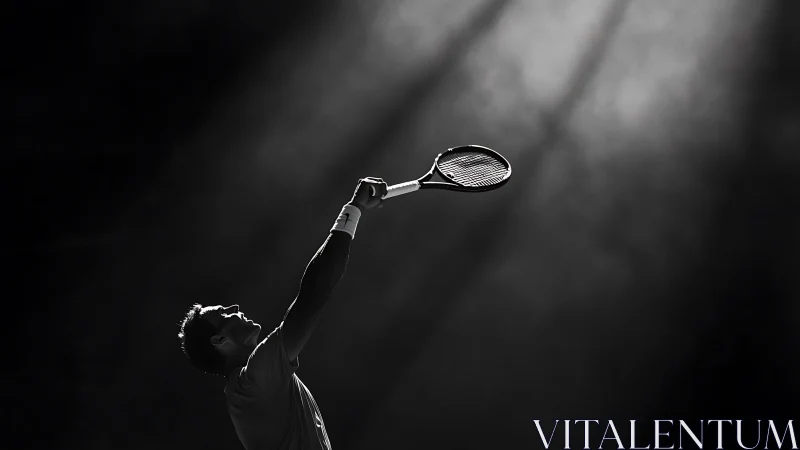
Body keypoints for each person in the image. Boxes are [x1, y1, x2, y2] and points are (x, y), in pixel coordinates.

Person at [177, 177, 388, 450]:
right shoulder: (254, 381)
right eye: (224, 313)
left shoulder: (253, 386)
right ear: (219, 341)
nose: (235, 308)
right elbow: (313, 294)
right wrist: (354, 208)